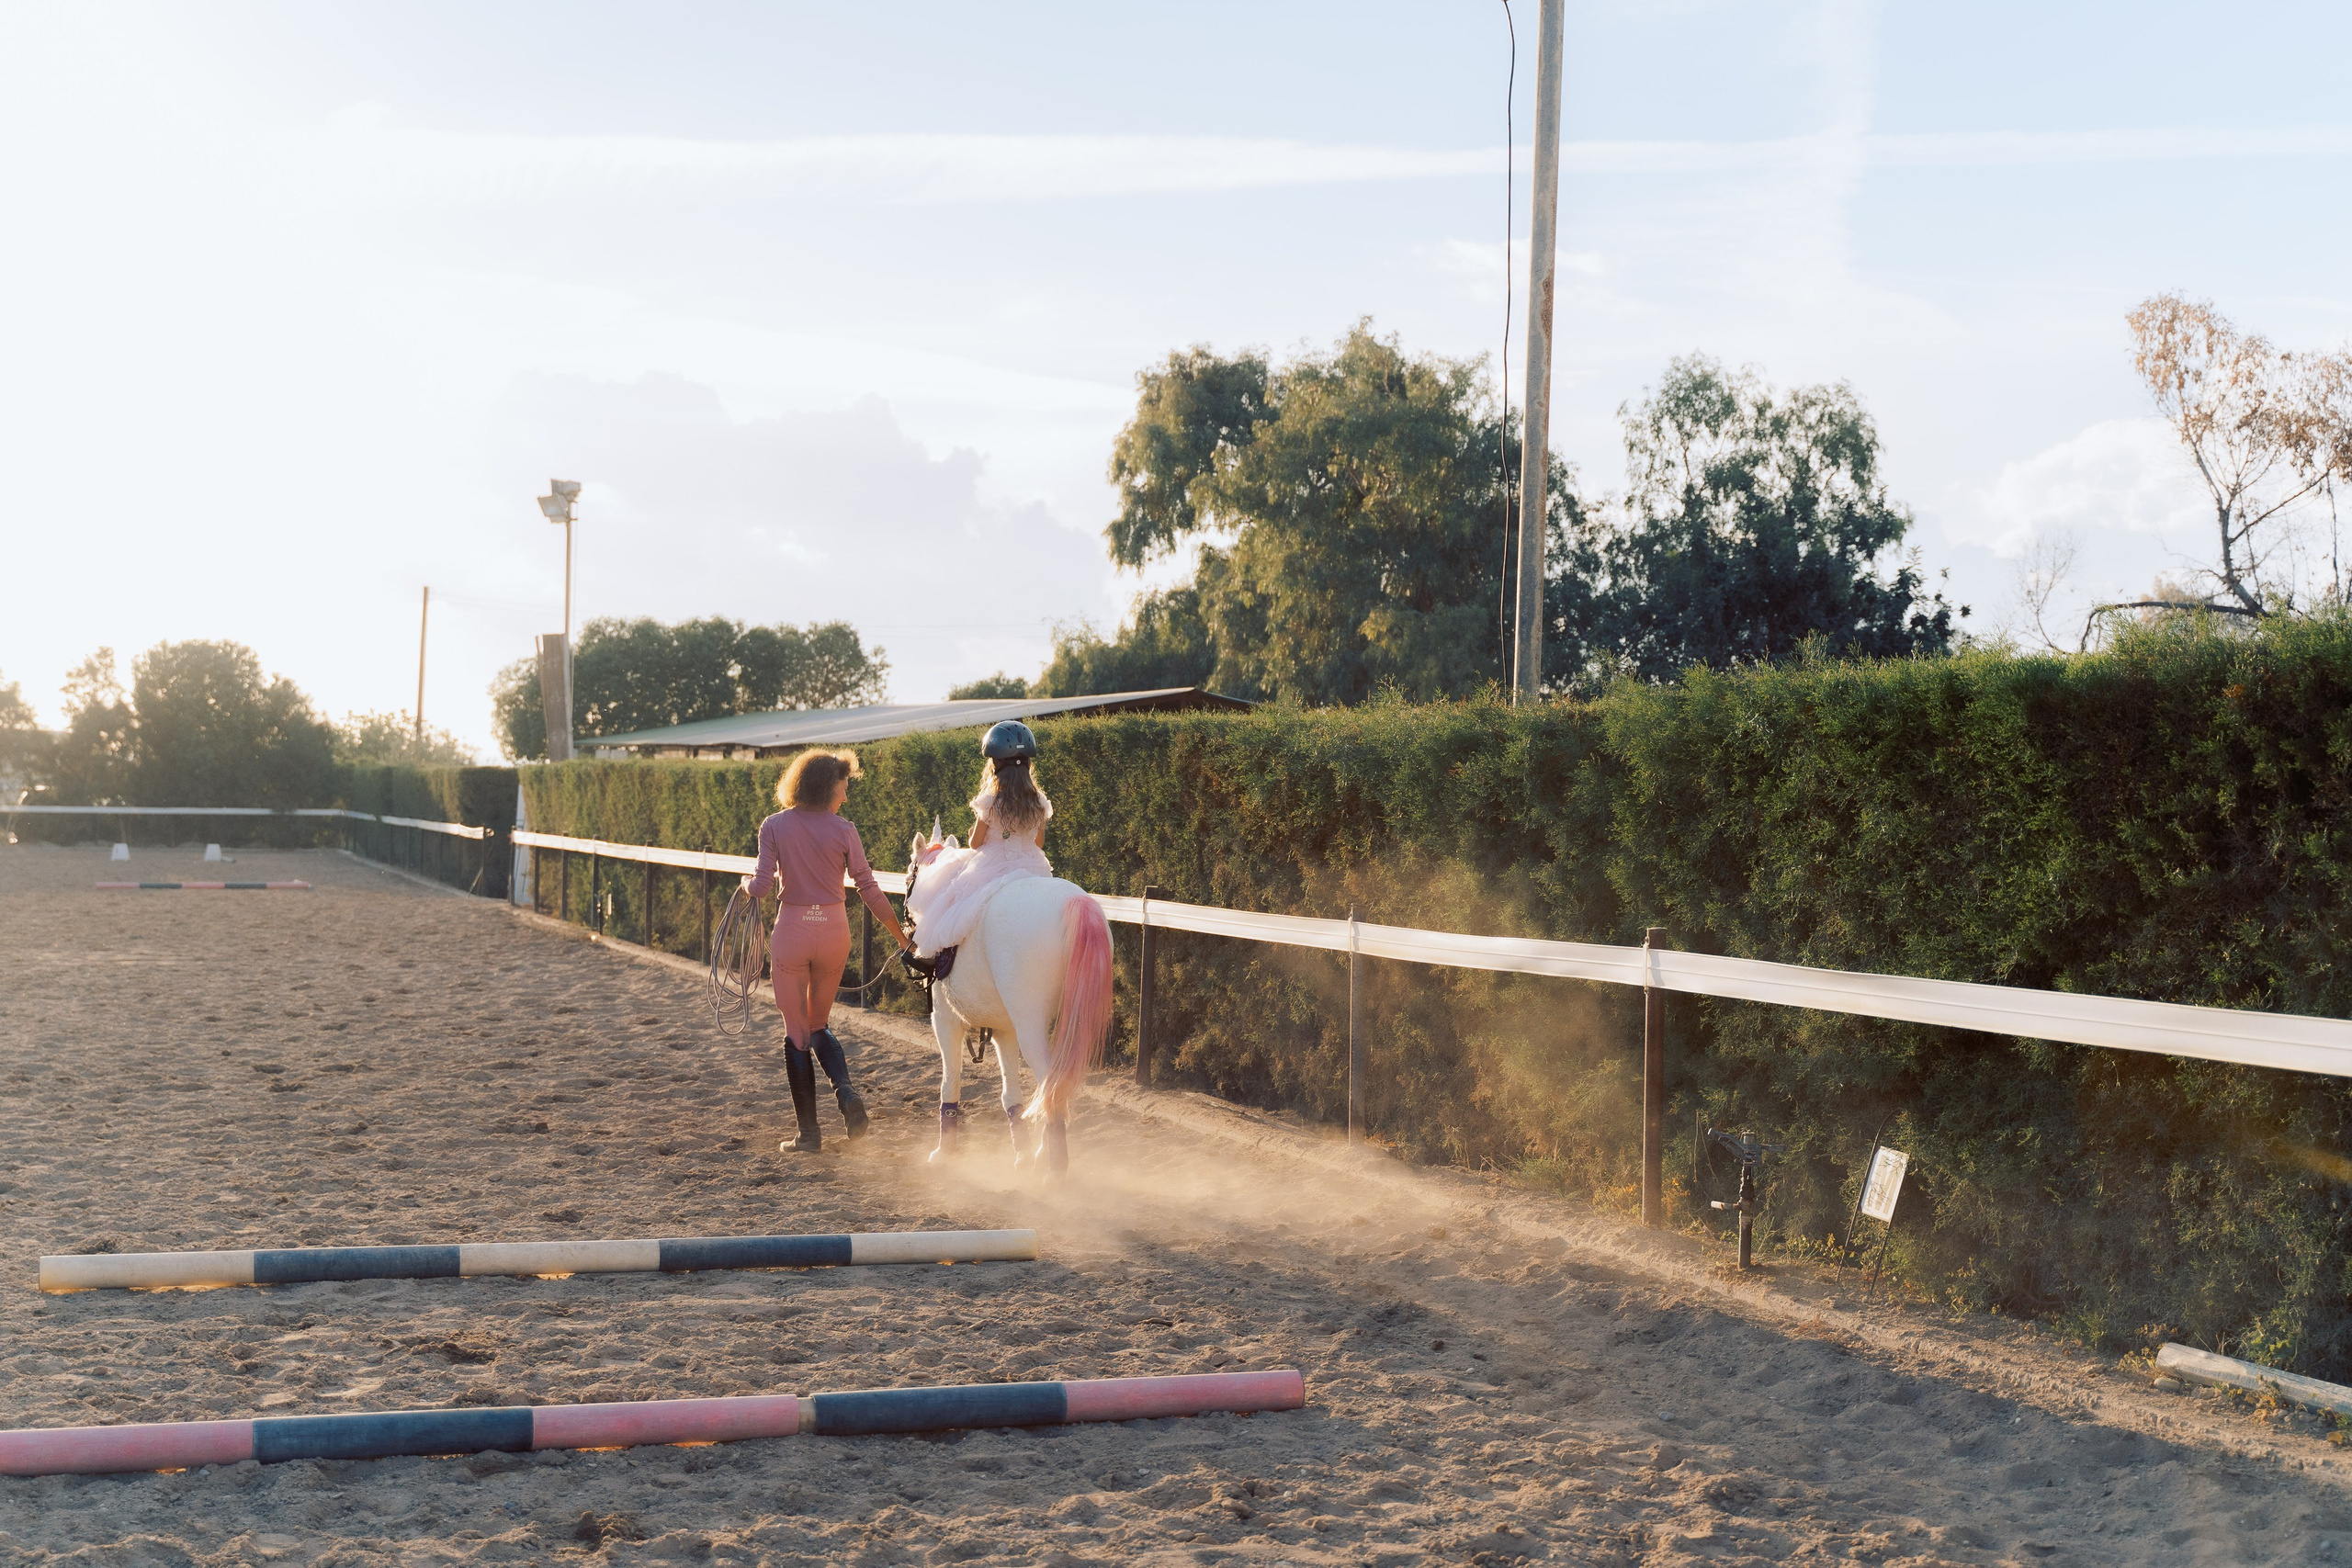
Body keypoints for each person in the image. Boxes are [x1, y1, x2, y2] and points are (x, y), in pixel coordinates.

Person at [746, 748, 911, 1155]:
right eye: (843, 788)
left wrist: (744, 884)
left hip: (793, 932)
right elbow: (868, 888)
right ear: (825, 787)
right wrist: (901, 938)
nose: (846, 795)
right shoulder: (845, 830)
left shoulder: (774, 826)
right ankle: (846, 1093)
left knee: (797, 1032)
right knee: (819, 1023)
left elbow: (762, 887)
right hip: (834, 931)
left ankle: (808, 1135)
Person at [903, 720, 1053, 966]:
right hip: (1033, 866)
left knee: (954, 900)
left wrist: (977, 832)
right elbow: (1039, 843)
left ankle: (935, 957)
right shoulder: (1039, 802)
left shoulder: (990, 801)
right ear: (1028, 765)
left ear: (995, 765)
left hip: (992, 867)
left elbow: (975, 843)